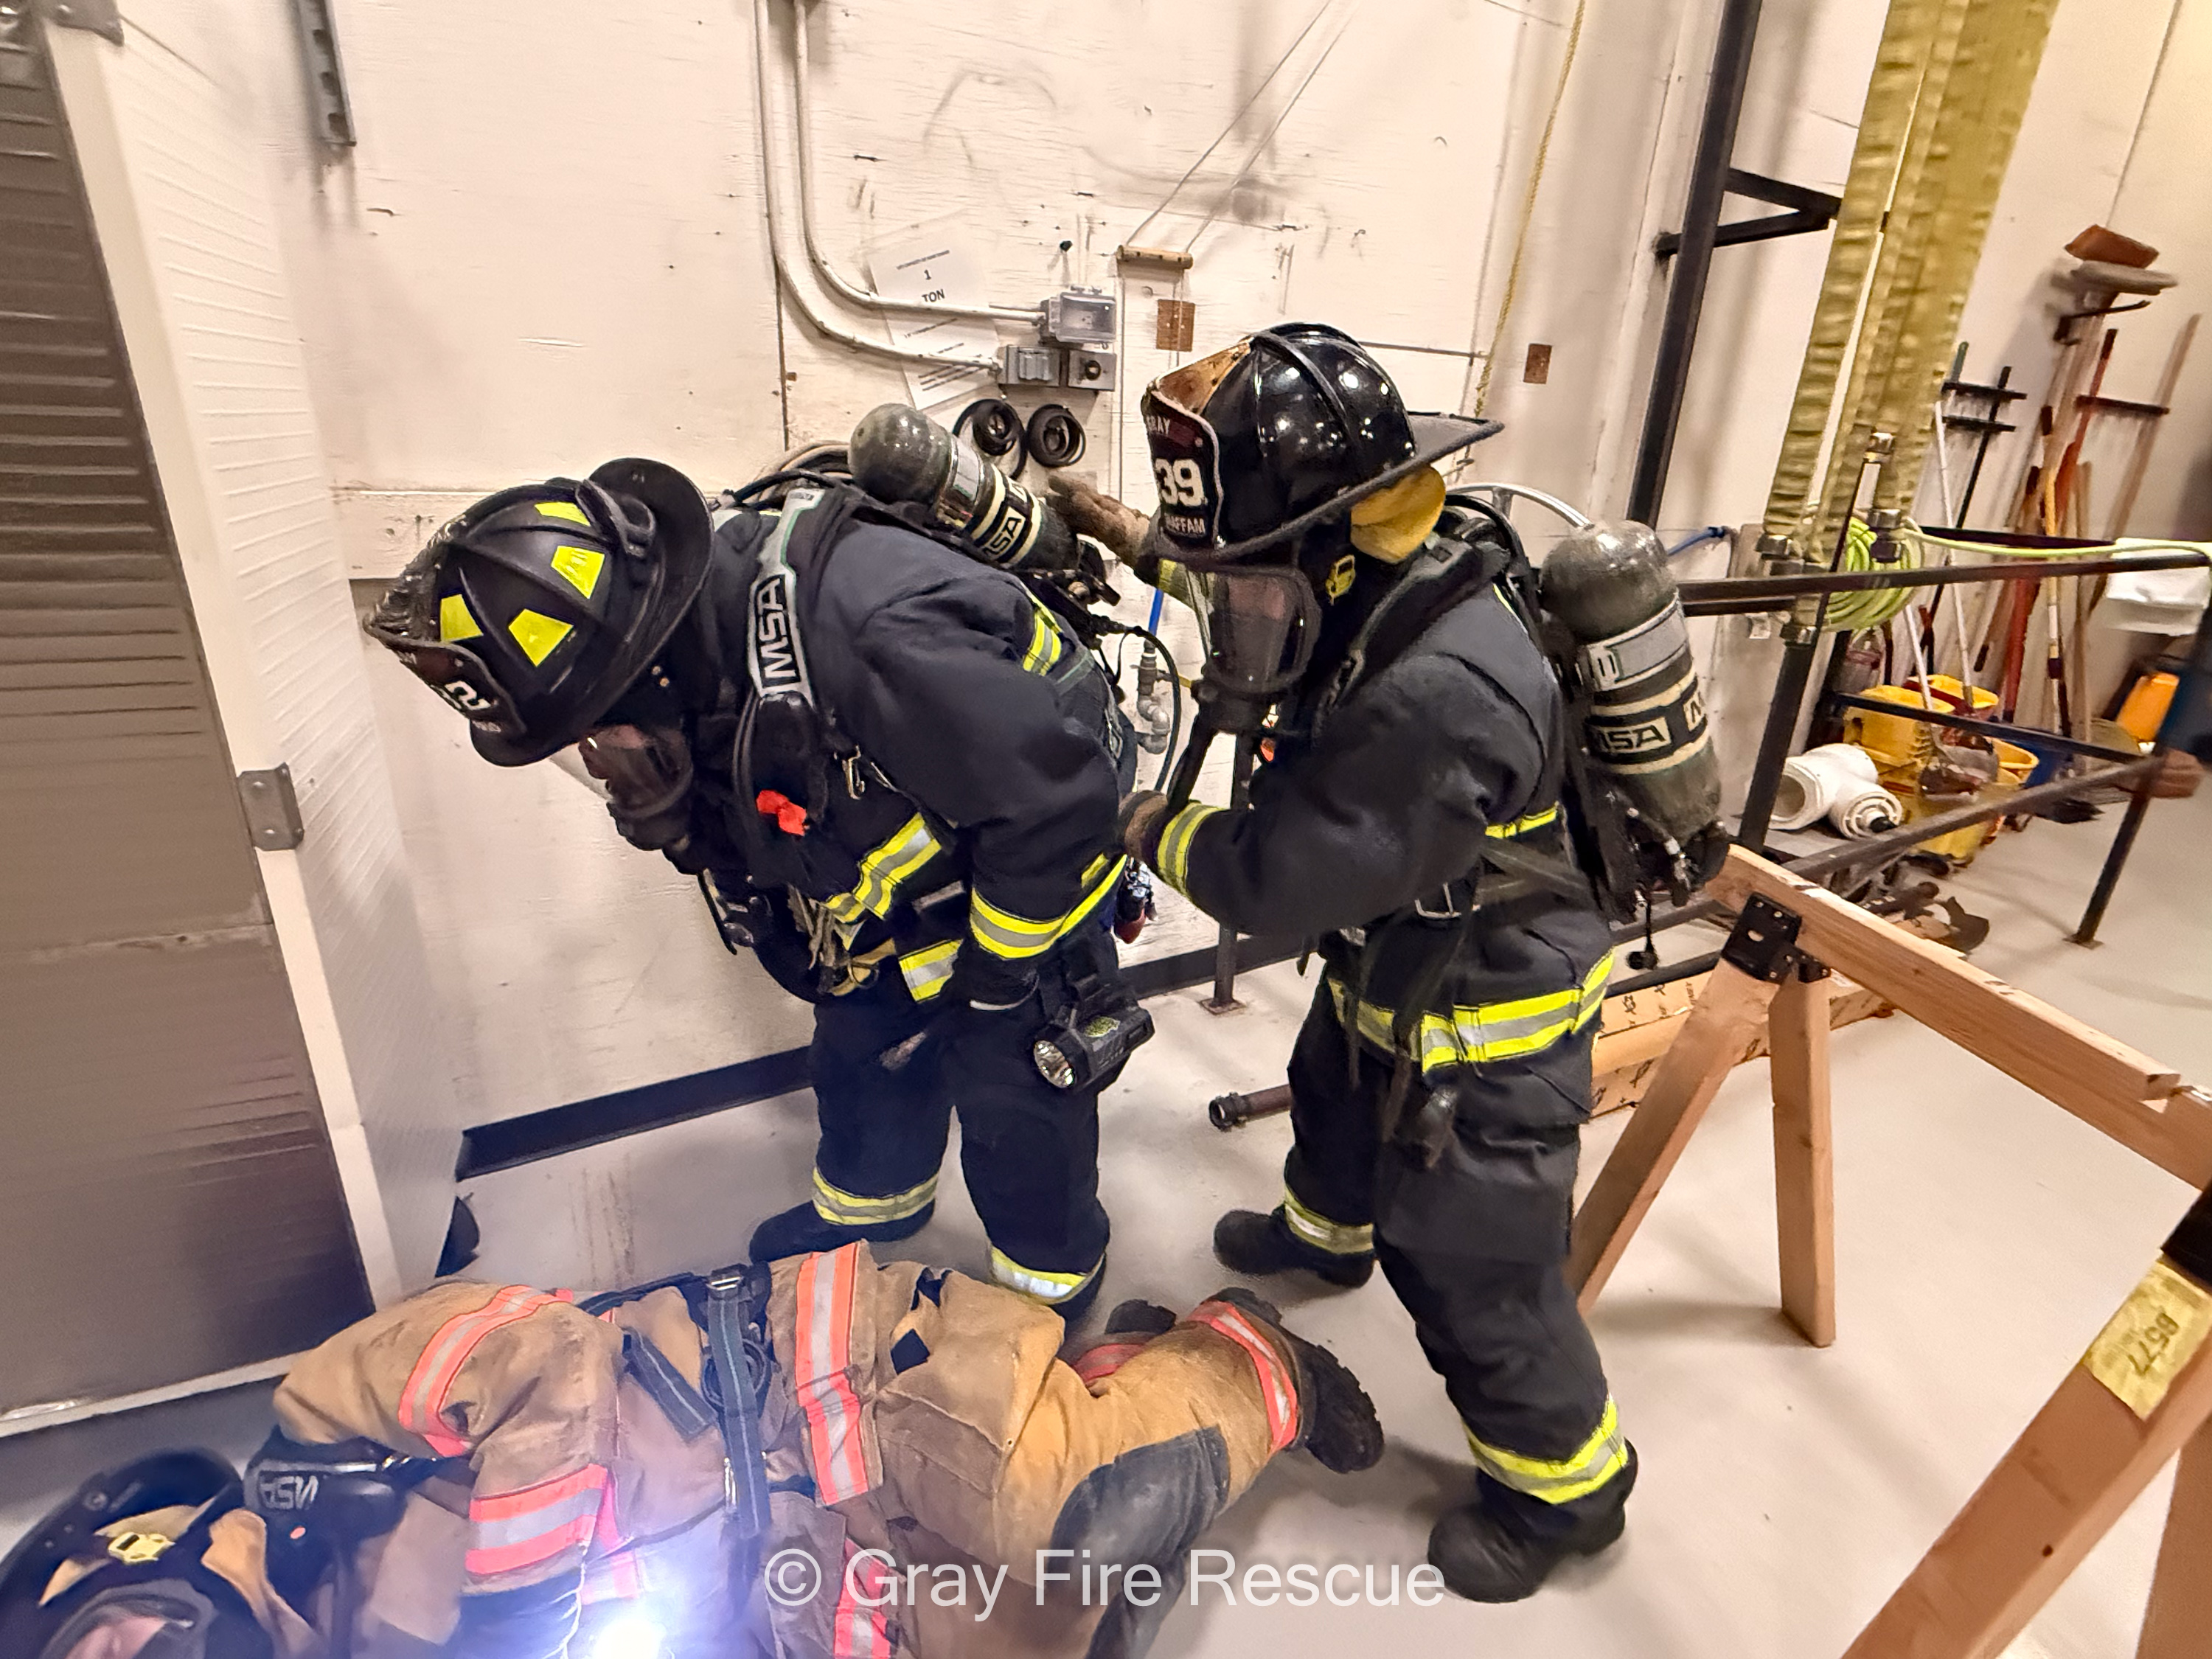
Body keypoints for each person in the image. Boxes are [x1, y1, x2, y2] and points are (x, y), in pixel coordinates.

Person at [1103, 325, 1632, 1601]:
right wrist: (1126, 535)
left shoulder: (1435, 690)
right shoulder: (1381, 571)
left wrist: (1146, 822)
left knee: (1474, 1263)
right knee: (1335, 1083)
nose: (1239, 603)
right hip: (1404, 939)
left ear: (1334, 540)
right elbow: (1254, 597)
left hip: (1489, 1008)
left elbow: (1270, 882)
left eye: (1254, 575)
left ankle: (1565, 1492)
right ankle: (1324, 1234)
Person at [363, 458, 1141, 1319]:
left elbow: (1055, 809)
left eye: (603, 734)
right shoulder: (704, 643)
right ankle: (874, 1210)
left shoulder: (874, 638)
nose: (603, 759)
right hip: (904, 886)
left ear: (645, 672)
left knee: (1014, 1087)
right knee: (862, 1050)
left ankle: (1050, 1282)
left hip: (1032, 874)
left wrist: (999, 972)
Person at [0, 1252, 1383, 1659]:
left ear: (106, 1553)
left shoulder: (318, 1423)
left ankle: (1246, 1354)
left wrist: (513, 1617)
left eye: (90, 1647)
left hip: (814, 1384)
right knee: (1080, 1627)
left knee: (1070, 1518)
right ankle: (1110, 1378)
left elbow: (541, 1351)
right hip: (815, 1575)